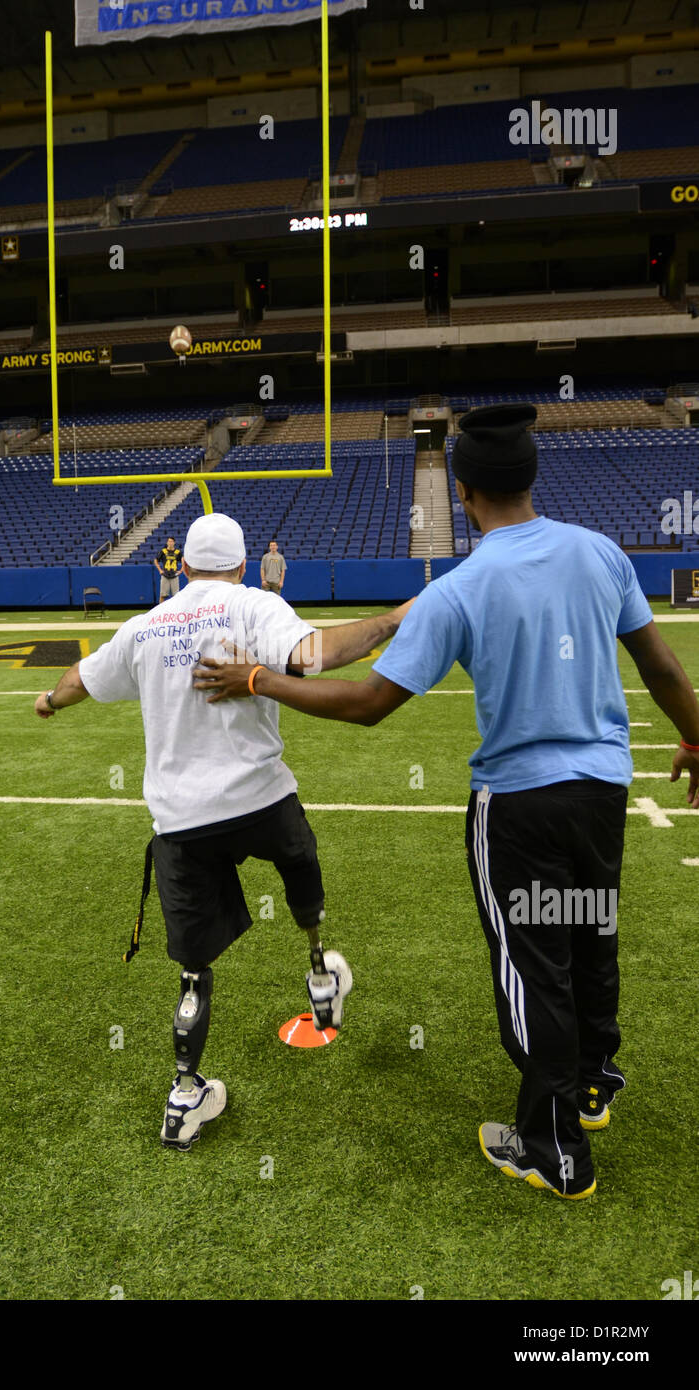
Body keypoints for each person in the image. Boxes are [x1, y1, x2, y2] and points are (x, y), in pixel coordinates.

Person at [194, 404, 699, 1199]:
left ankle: (553, 1147)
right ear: (530, 477)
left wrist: (257, 680)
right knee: (586, 937)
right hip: (603, 791)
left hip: (521, 803)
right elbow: (664, 670)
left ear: (462, 495)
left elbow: (366, 701)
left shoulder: (460, 587)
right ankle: (593, 1084)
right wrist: (697, 741)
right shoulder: (600, 553)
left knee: (533, 966)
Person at [34, 512, 412, 1151]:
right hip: (259, 796)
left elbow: (81, 680)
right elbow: (313, 655)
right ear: (241, 565)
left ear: (181, 566)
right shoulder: (251, 604)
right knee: (300, 864)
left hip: (182, 817)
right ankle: (321, 973)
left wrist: (48, 700)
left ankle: (184, 1096)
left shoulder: (146, 626)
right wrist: (393, 619)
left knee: (192, 970)